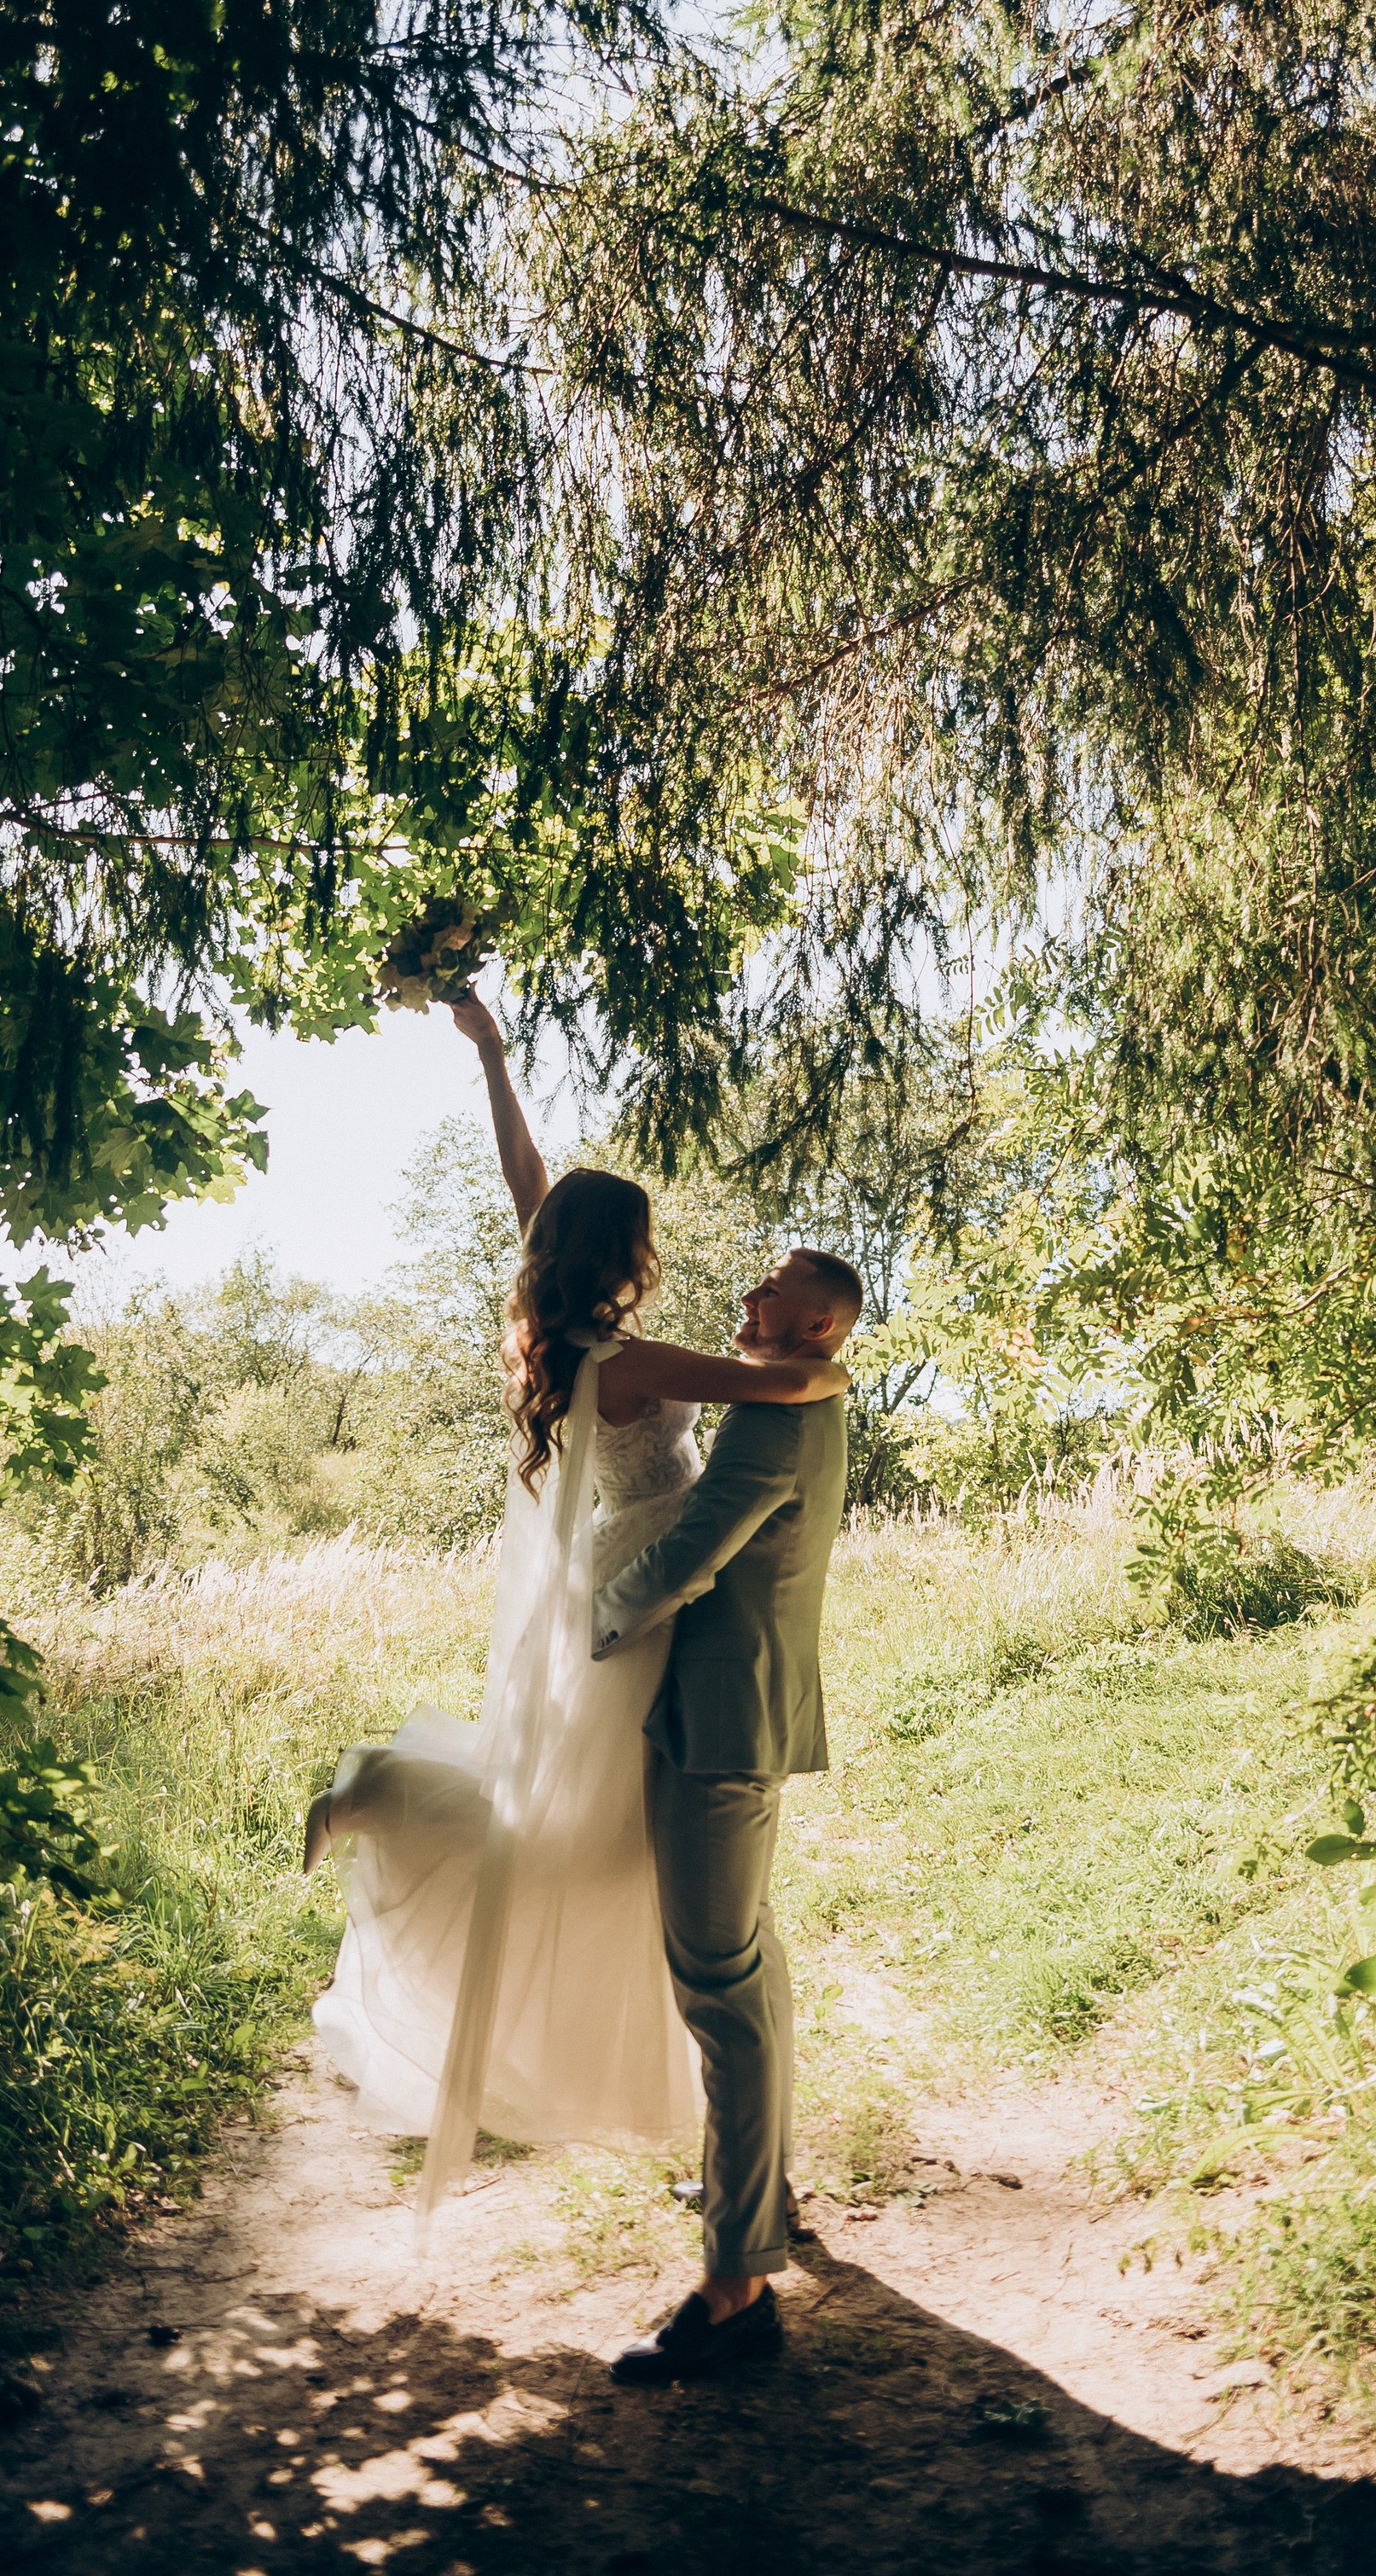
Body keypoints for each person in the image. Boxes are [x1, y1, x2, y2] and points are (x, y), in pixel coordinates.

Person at [300, 990, 851, 2220]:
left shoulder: (569, 1335)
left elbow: (527, 1182)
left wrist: (494, 1056)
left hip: (617, 1576)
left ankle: (748, 2167)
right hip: (643, 1607)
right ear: (630, 1257)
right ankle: (384, 1789)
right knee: (584, 1853)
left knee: (612, 1858)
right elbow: (792, 1380)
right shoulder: (640, 1362)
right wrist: (828, 1344)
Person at [589, 1236, 862, 2383]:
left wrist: (590, 1630)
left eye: (776, 1288)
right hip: (735, 1707)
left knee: (719, 1988)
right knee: (748, 1960)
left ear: (819, 1327)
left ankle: (737, 2286)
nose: (750, 1294)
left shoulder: (773, 1413)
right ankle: (766, 2194)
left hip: (719, 1722)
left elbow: (695, 1554)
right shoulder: (805, 1393)